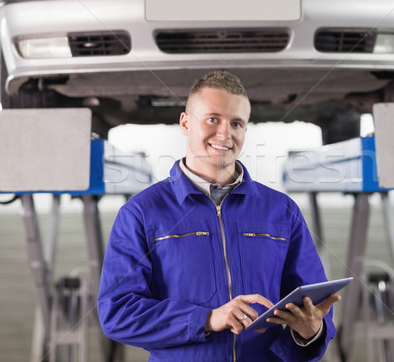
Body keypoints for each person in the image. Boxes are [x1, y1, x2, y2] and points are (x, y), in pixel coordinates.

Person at [98, 71, 341, 361]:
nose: (225, 134)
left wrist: (309, 332)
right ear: (186, 123)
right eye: (213, 119)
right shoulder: (142, 213)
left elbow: (310, 306)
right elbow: (117, 312)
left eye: (236, 123)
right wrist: (207, 319)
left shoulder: (281, 211)